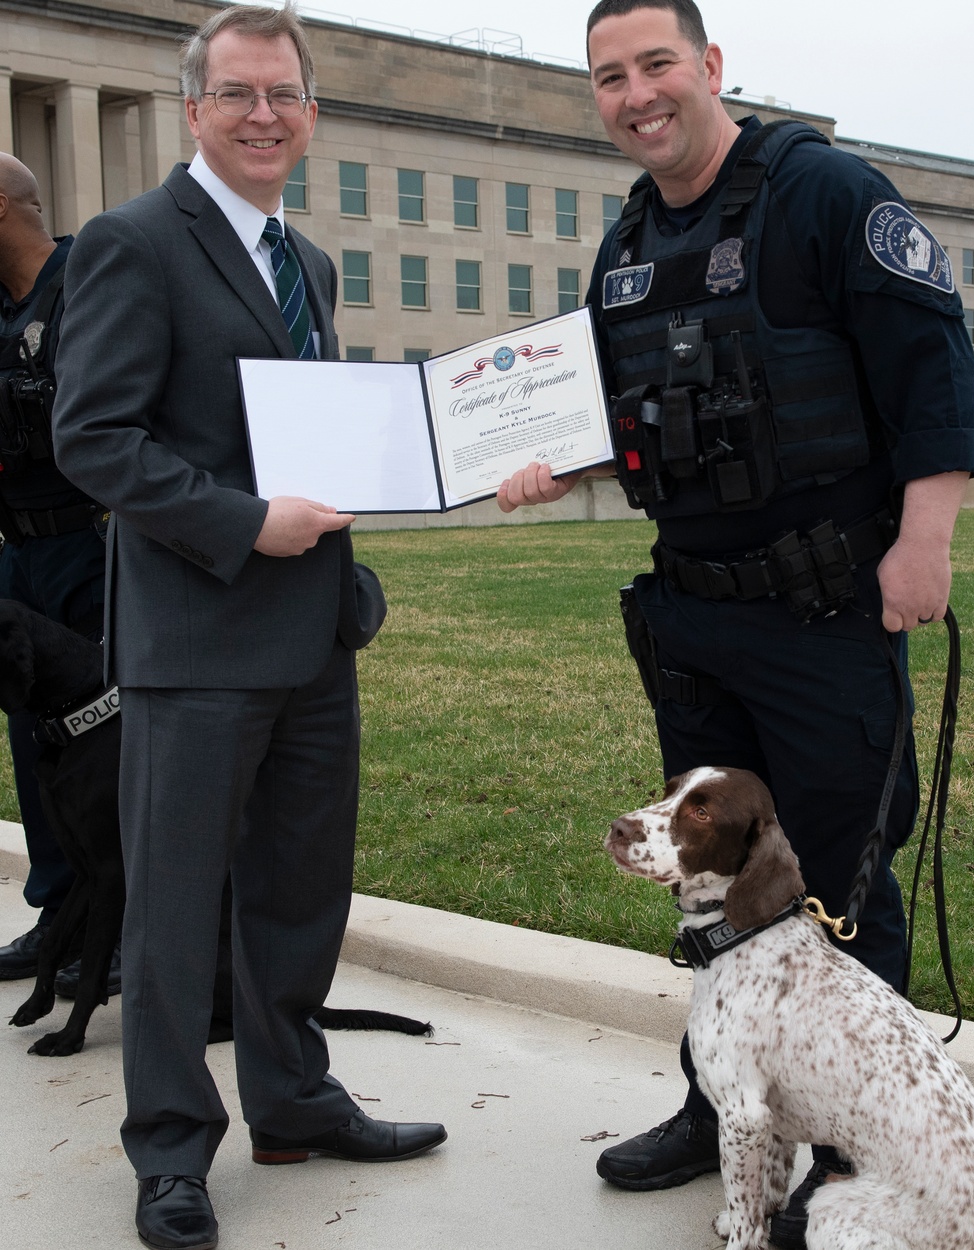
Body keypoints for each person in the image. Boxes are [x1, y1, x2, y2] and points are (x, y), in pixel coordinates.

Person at [498, 2, 974, 1246]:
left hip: (827, 613)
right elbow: (636, 414)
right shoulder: (624, 244)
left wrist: (923, 539)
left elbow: (933, 361)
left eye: (656, 64)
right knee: (716, 891)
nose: (635, 93)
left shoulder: (821, 193)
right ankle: (723, 1109)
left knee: (838, 882)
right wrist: (561, 461)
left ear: (710, 67)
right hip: (696, 620)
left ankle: (847, 1143)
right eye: (609, 76)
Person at [51, 6, 445, 1248]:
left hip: (311, 639)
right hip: (196, 638)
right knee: (173, 911)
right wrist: (241, 523)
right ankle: (170, 1147)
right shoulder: (131, 243)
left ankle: (291, 1099)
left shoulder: (309, 262)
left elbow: (319, 442)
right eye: (238, 94)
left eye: (284, 94)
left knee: (297, 890)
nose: (264, 114)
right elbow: (94, 439)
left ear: (311, 113)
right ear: (194, 109)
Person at [0, 153, 110, 991]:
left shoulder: (87, 283)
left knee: (105, 743)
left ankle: (115, 925)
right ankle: (58, 913)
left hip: (90, 541)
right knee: (36, 739)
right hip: (19, 551)